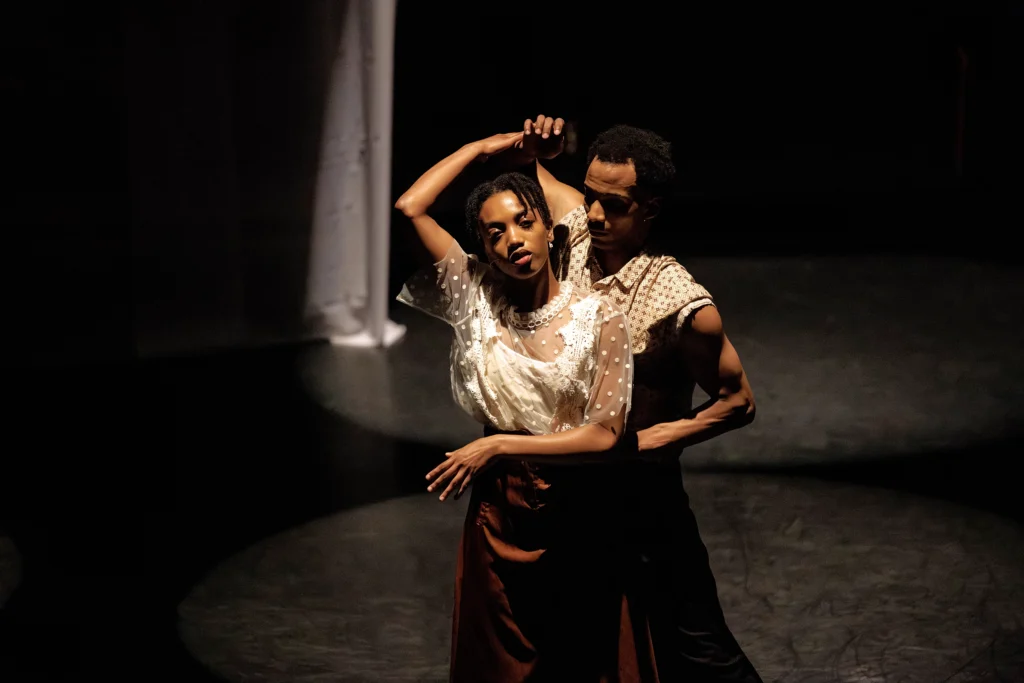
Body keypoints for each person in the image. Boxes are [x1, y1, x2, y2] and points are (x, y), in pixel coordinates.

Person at [499, 115, 764, 682]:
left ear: (649, 209)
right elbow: (537, 183)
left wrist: (646, 441)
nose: (595, 215)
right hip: (571, 493)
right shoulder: (577, 236)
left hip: (642, 500)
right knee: (578, 649)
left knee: (698, 649)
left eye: (614, 206)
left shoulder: (678, 299)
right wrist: (536, 148)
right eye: (592, 198)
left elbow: (737, 401)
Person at [394, 131, 639, 682]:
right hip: (498, 514)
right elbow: (411, 206)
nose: (512, 240)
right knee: (500, 665)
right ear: (483, 249)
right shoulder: (474, 297)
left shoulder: (600, 316)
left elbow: (604, 435)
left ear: (549, 230)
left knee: (581, 660)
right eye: (495, 232)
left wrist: (497, 444)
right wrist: (482, 151)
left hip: (577, 510)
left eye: (523, 222)